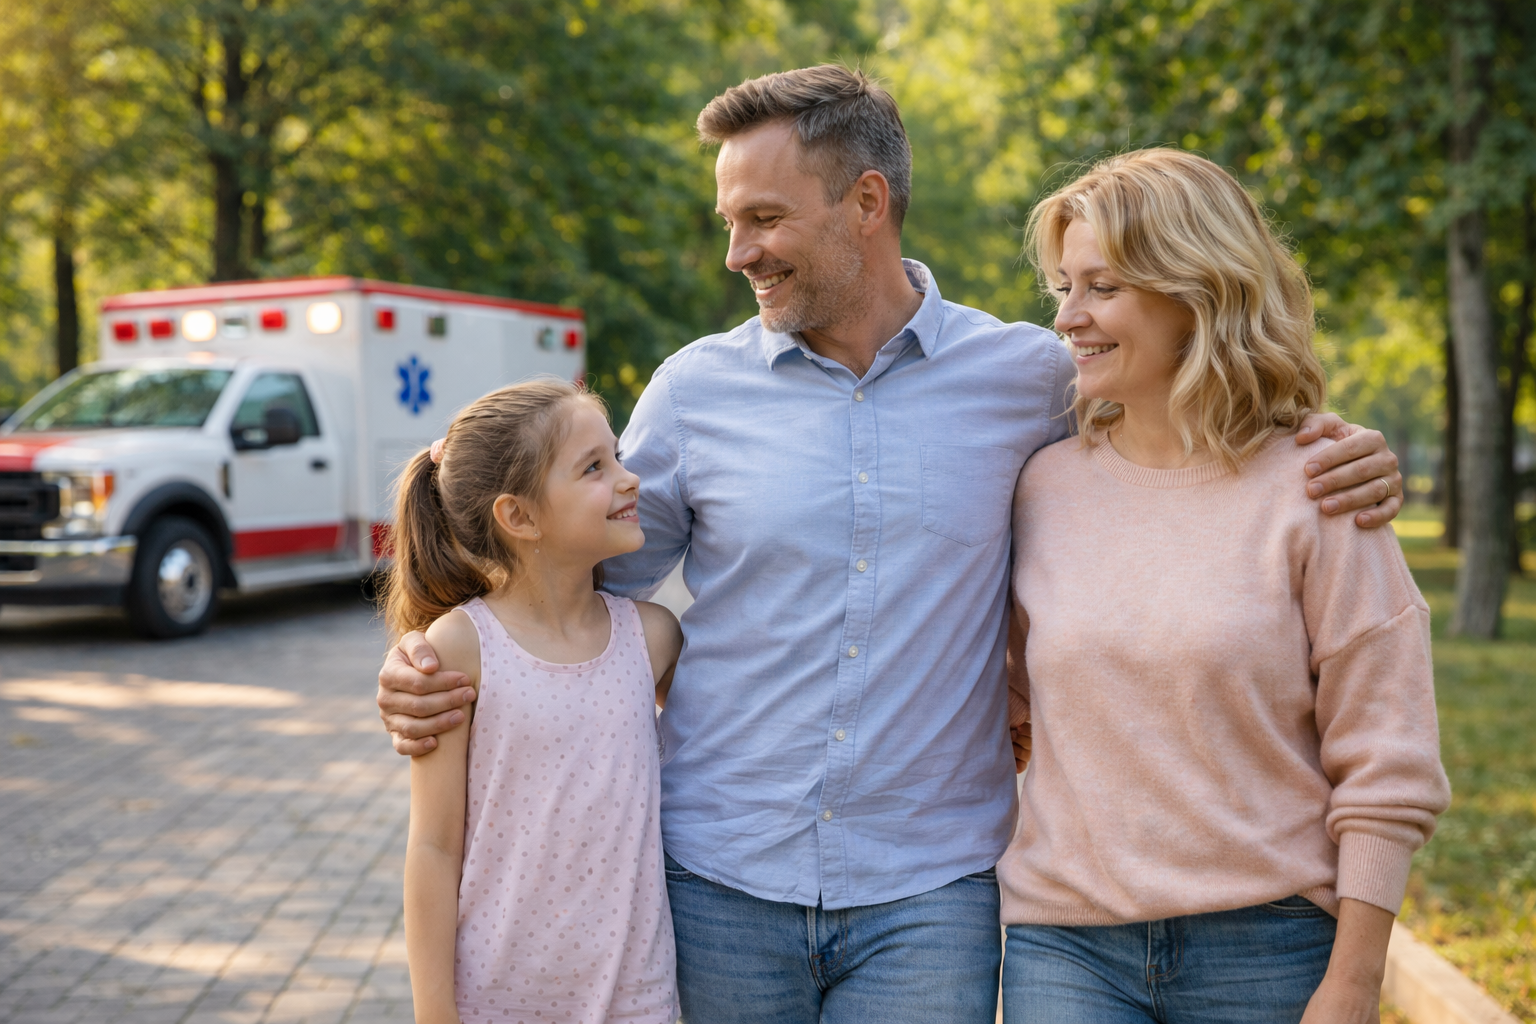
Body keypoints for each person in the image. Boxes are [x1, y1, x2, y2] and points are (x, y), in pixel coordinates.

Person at [377, 67, 1406, 1022]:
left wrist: (1328, 443)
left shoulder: (1033, 382)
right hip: (720, 879)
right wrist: (432, 654)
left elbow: (1186, 408)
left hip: (932, 896)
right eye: (730, 222)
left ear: (865, 203)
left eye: (765, 218)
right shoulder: (693, 392)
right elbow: (555, 589)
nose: (738, 252)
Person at [998, 149, 1450, 1024]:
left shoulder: (1321, 488)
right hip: (1068, 946)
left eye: (1102, 288)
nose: (1067, 317)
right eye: (1063, 287)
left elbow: (1388, 760)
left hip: (1268, 946)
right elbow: (1010, 692)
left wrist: (1356, 980)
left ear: (1196, 293)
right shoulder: (1041, 488)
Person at [390, 379, 683, 1024]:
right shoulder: (462, 647)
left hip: (637, 1000)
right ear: (519, 517)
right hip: (497, 1001)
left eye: (617, 457)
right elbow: (433, 847)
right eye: (595, 467)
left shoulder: (654, 639)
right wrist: (434, 1013)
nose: (630, 479)